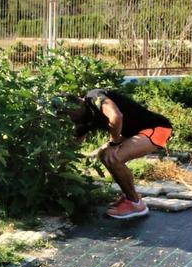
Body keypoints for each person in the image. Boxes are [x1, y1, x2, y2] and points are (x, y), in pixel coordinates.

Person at [65, 88, 173, 220]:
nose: (70, 117)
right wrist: (59, 160)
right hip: (135, 132)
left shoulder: (94, 97)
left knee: (114, 158)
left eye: (71, 113)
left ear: (79, 103)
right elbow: (74, 144)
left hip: (156, 128)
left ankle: (136, 204)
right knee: (103, 154)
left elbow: (116, 116)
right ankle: (130, 196)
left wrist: (113, 143)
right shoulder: (83, 117)